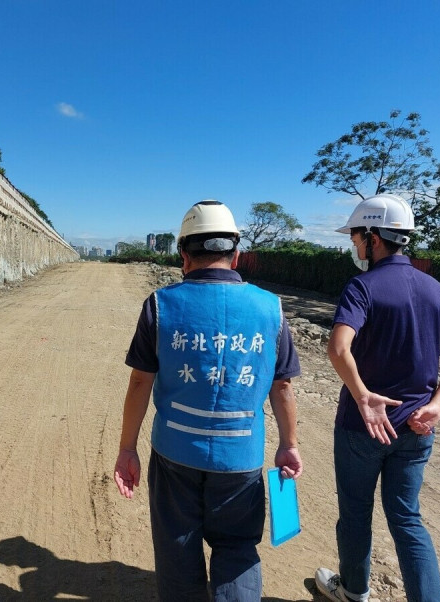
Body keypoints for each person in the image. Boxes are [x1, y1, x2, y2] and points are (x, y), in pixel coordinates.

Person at [114, 200, 303, 601]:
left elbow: (139, 383)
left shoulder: (160, 305)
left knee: (177, 552)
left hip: (174, 454)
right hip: (241, 459)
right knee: (236, 551)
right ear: (236, 255)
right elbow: (282, 386)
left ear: (183, 254)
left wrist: (126, 448)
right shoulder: (272, 309)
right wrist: (289, 445)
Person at [315, 194, 440, 602]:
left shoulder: (362, 286)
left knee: (355, 513)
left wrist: (363, 396)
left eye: (355, 236)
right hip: (417, 428)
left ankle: (353, 592)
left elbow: (338, 348)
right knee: (407, 518)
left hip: (362, 428)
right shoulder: (435, 289)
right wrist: (437, 405)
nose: (353, 244)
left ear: (373, 237)